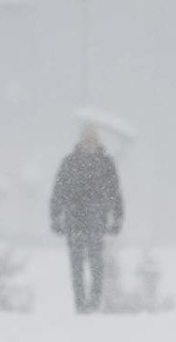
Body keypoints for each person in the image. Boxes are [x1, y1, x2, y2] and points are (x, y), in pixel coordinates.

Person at [48, 125, 123, 313]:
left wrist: (118, 217)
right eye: (86, 139)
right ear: (81, 141)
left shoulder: (106, 163)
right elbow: (58, 192)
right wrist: (55, 216)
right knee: (76, 265)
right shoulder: (69, 162)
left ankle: (94, 303)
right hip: (74, 219)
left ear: (97, 141)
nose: (90, 143)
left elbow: (115, 192)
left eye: (93, 139)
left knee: (97, 263)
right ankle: (80, 304)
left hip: (97, 219)